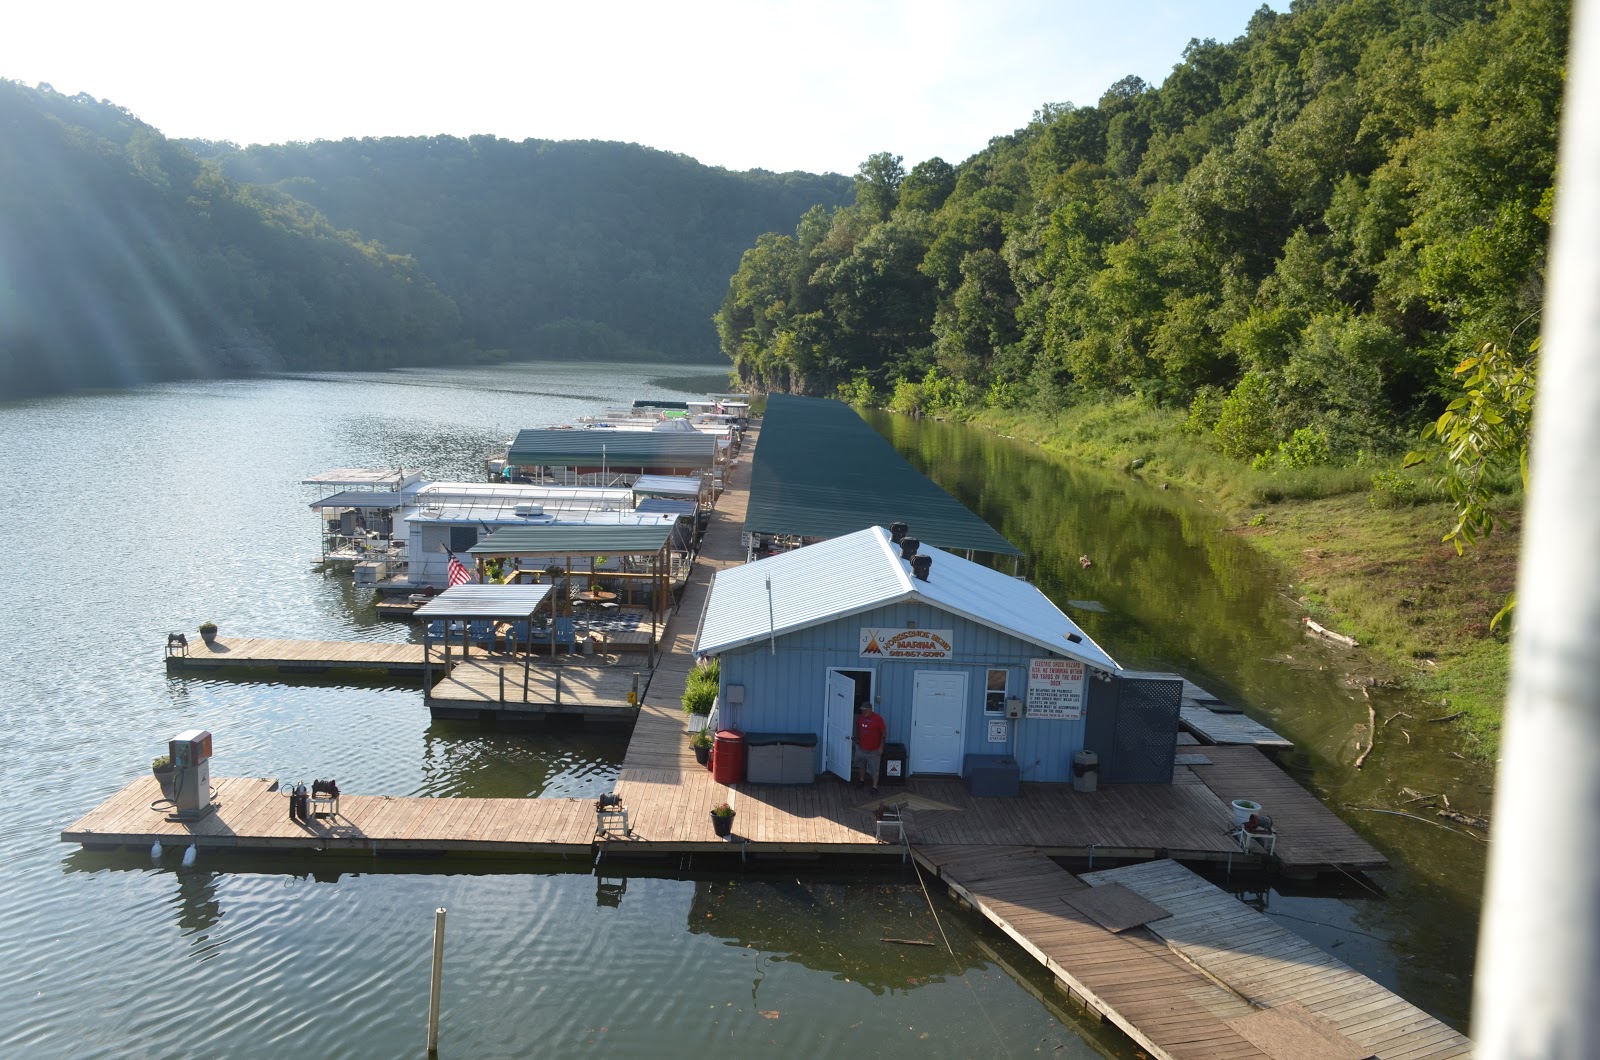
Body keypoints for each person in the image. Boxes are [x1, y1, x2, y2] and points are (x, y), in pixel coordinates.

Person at [853, 701, 888, 793]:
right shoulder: (860, 718)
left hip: (874, 750)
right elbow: (858, 727)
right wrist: (856, 739)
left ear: (870, 710)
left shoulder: (878, 719)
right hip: (861, 748)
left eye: (865, 710)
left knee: (874, 769)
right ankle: (861, 781)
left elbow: (883, 734)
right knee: (861, 765)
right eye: (862, 710)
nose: (863, 712)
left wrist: (881, 747)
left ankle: (874, 786)